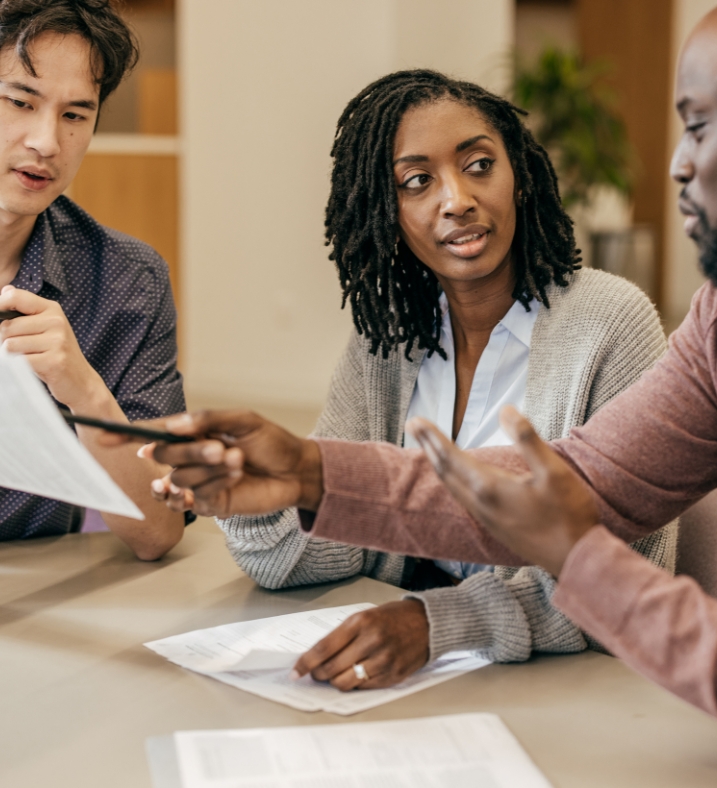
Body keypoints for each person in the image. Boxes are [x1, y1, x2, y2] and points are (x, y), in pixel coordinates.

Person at [117, 0, 717, 785]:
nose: (678, 163)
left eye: (697, 125)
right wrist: (310, 473)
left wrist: (580, 564)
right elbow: (566, 485)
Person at [201, 70, 678, 688]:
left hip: (569, 689)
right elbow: (336, 550)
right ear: (386, 211)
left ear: (521, 176)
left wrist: (441, 622)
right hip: (415, 682)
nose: (456, 199)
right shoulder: (388, 338)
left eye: (479, 165)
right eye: (418, 181)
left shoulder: (612, 323)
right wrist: (261, 503)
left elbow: (626, 576)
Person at [0, 0, 186, 559]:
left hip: (37, 593)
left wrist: (82, 389)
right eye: (19, 102)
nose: (47, 142)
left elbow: (158, 532)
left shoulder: (128, 281)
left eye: (75, 115)